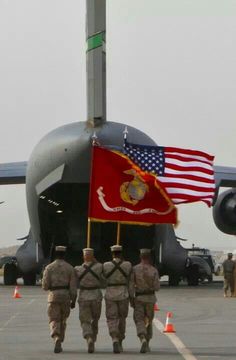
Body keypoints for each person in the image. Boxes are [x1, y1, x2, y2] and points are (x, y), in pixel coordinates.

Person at [42, 246, 77, 353]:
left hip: (53, 296)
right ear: (64, 254)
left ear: (55, 254)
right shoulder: (70, 268)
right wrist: (73, 300)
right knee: (63, 320)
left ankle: (56, 337)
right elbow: (73, 287)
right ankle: (60, 340)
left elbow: (45, 286)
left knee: (54, 319)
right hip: (65, 296)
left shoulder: (49, 268)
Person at [103, 245, 134, 353]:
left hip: (110, 294)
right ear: (121, 253)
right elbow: (130, 282)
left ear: (112, 254)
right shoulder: (127, 265)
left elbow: (103, 280)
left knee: (111, 318)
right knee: (122, 318)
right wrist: (132, 298)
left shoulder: (106, 265)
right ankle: (120, 340)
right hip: (123, 294)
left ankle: (114, 338)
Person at [74, 248, 103, 353]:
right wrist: (93, 260)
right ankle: (93, 340)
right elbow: (101, 269)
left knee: (85, 321)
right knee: (95, 320)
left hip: (84, 296)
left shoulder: (77, 269)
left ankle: (89, 338)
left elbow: (74, 283)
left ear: (83, 257)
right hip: (96, 296)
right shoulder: (99, 267)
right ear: (93, 256)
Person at [133, 248, 160, 353]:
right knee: (149, 320)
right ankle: (147, 343)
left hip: (139, 298)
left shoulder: (135, 269)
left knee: (139, 319)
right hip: (150, 298)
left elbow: (131, 285)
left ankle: (142, 337)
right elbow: (157, 287)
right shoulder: (154, 270)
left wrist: (131, 297)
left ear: (140, 257)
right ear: (149, 258)